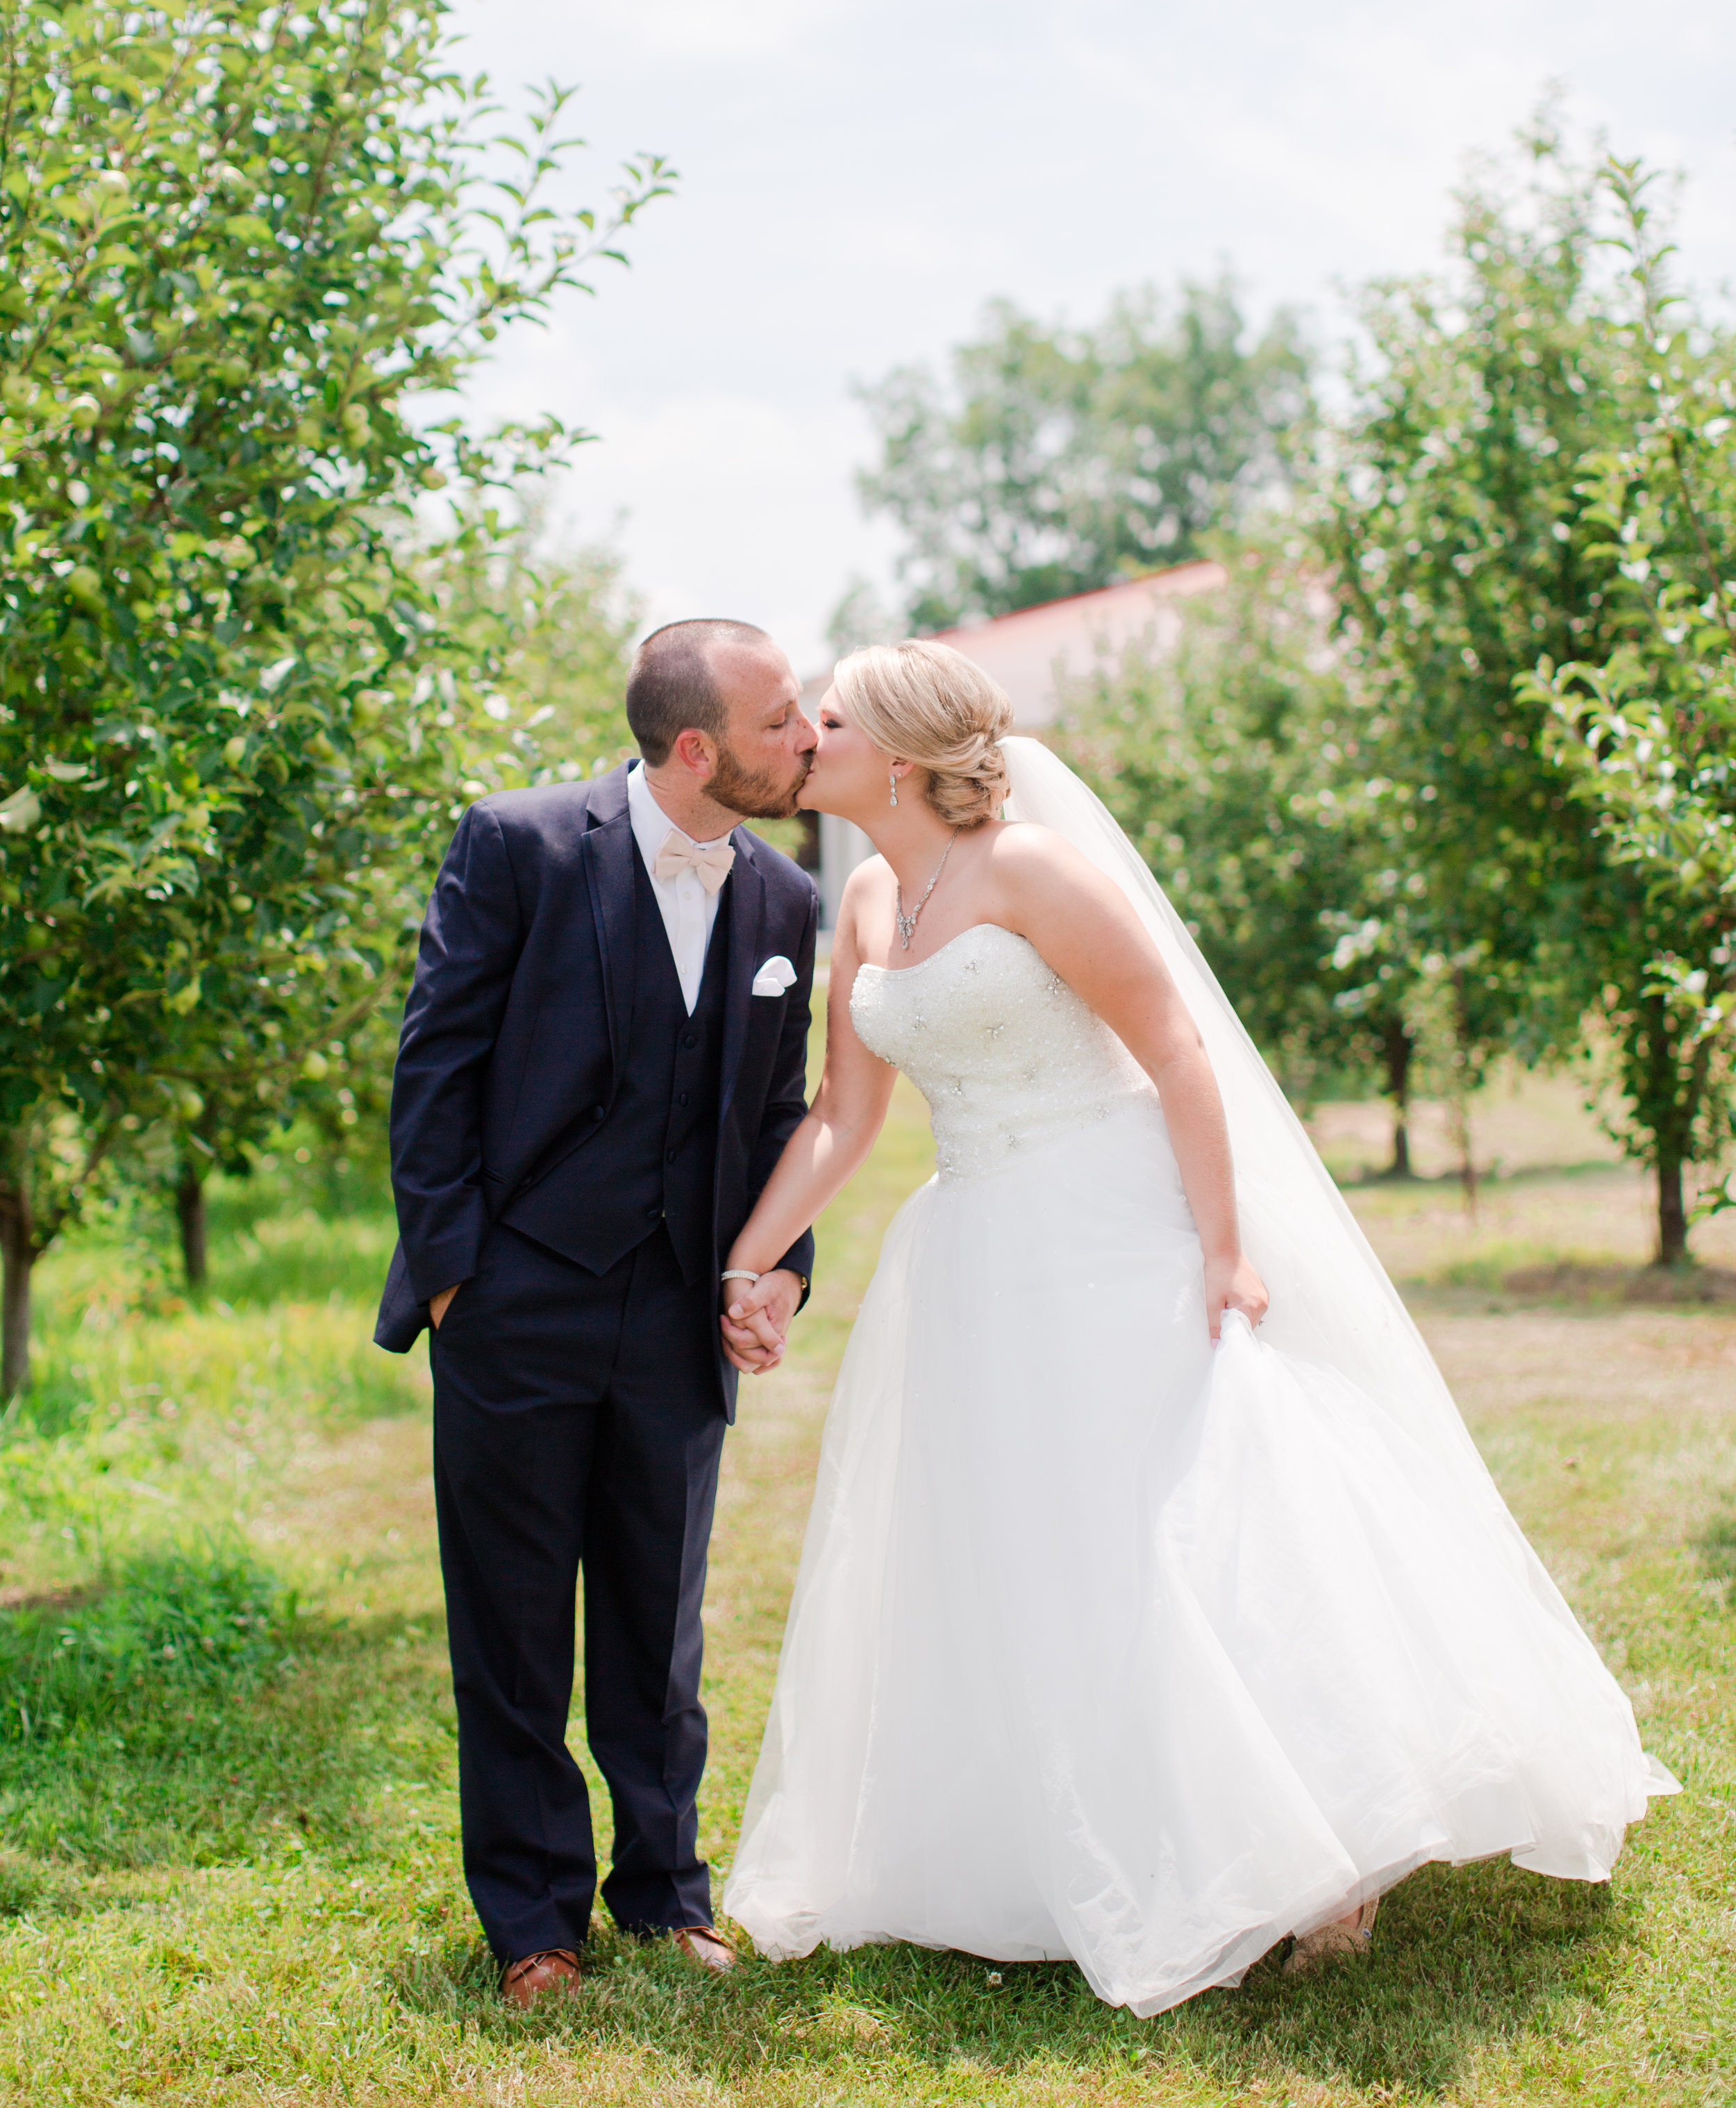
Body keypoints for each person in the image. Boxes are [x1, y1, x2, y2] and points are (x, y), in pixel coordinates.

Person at [717, 640, 1676, 2016]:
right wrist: (748, 1260)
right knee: (1031, 1546)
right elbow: (844, 1115)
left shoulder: (1031, 869)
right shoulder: (864, 898)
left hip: (1111, 1220)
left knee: (1190, 1523)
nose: (811, 738)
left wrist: (1222, 1250)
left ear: (909, 757)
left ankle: (1327, 1836)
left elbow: (1173, 1046)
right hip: (976, 1247)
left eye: (833, 717)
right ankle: (1093, 1830)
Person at [374, 620, 820, 2002]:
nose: (807, 737)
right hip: (515, 1299)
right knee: (512, 1624)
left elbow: (773, 1115)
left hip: (679, 1312)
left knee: (658, 1619)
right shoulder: (518, 843)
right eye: (779, 720)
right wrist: (456, 1276)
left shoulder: (783, 898)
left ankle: (665, 1890)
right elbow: (437, 1063)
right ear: (695, 747)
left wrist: (780, 1270)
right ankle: (533, 1921)